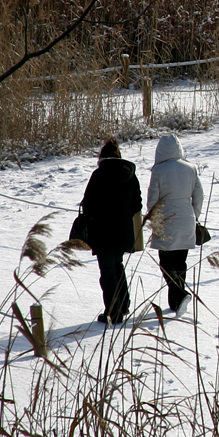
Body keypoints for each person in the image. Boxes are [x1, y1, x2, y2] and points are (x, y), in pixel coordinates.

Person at [80, 137, 142, 325]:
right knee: (117, 265)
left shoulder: (98, 175)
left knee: (107, 271)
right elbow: (137, 203)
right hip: (123, 230)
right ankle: (123, 304)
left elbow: (88, 204)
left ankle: (113, 311)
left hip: (102, 230)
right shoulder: (130, 175)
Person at [147, 134, 204, 318]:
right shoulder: (191, 168)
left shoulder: (158, 171)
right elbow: (199, 196)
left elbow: (152, 200)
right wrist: (193, 215)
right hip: (187, 219)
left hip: (166, 221)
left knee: (165, 263)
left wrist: (154, 219)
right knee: (180, 263)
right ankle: (175, 304)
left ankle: (180, 296)